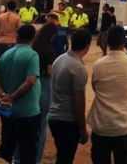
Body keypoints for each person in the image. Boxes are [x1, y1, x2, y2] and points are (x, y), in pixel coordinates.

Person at [89, 25, 127, 164]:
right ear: (124, 42)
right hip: (123, 126)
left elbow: (95, 87)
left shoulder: (98, 64)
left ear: (107, 42)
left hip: (101, 125)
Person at [0, 23, 42, 164]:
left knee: (6, 148)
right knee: (28, 151)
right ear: (34, 37)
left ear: (17, 36)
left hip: (8, 112)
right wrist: (12, 97)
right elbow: (30, 81)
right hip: (28, 112)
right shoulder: (32, 55)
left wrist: (4, 96)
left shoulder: (6, 54)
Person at [15, 16, 58, 164]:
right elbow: (51, 72)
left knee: (24, 121)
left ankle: (17, 158)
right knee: (41, 125)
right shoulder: (50, 51)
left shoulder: (32, 48)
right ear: (52, 36)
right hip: (44, 85)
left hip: (29, 87)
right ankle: (36, 160)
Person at [48, 27, 93, 164]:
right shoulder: (78, 68)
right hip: (67, 120)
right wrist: (82, 128)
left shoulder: (60, 59)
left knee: (62, 156)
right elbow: (78, 102)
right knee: (66, 158)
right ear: (88, 46)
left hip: (54, 116)